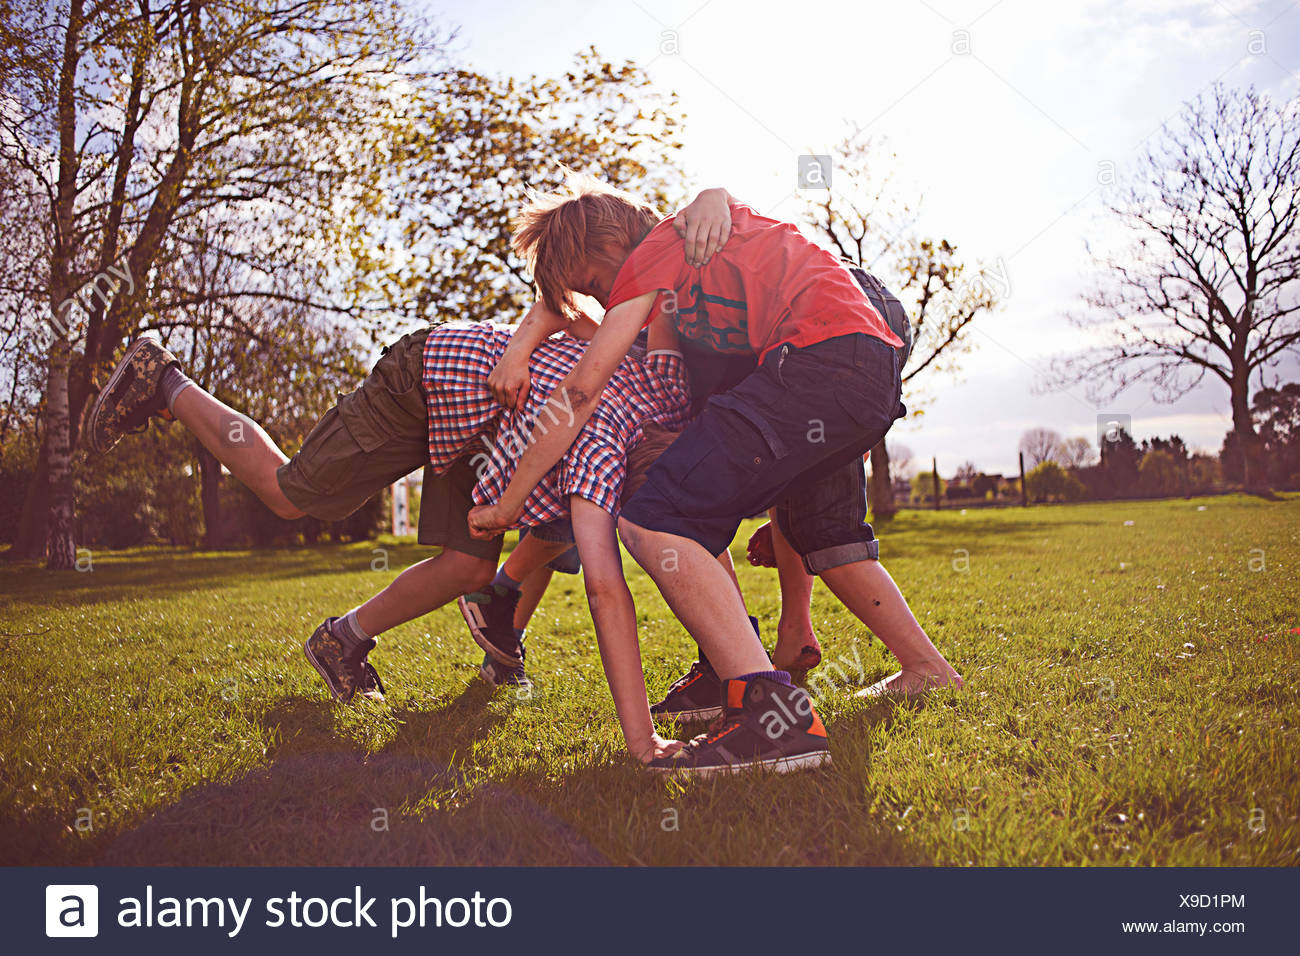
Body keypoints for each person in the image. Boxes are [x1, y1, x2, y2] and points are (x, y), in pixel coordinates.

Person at [469, 176, 963, 776]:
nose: (605, 301)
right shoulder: (696, 252)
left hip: (817, 360)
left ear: (609, 243)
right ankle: (915, 671)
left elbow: (579, 390)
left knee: (656, 516)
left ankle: (771, 717)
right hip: (866, 370)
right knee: (809, 525)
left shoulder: (658, 251)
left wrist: (507, 501)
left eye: (596, 284)